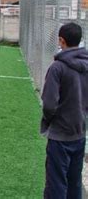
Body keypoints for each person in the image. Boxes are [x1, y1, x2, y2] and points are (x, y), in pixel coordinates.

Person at [41, 22, 88, 198]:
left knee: (56, 182)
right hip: (79, 131)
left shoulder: (57, 67)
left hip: (60, 134)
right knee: (74, 181)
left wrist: (49, 120)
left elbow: (49, 104)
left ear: (61, 40)